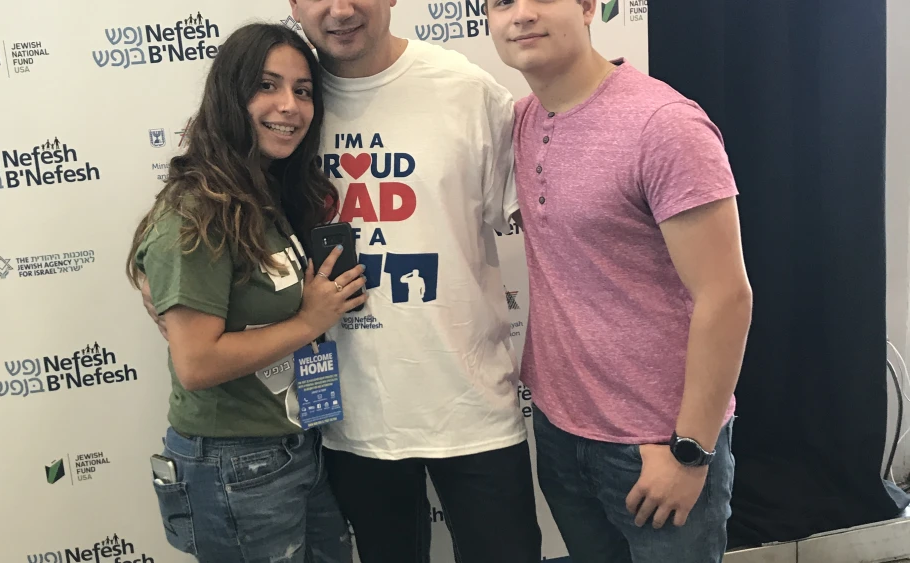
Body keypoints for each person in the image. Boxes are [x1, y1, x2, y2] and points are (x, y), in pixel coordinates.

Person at [142, 2, 542, 561]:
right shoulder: (290, 112)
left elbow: (546, 223)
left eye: (298, 92)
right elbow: (212, 206)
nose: (341, 8)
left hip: (470, 409)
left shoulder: (466, 90)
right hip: (347, 423)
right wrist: (154, 271)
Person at [487, 1, 753, 562]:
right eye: (501, 1)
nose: (521, 15)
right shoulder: (524, 121)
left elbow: (726, 297)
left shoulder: (662, 125)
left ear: (587, 7)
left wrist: (690, 450)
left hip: (657, 446)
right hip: (561, 432)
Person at [127, 23, 367, 563]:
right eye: (267, 86)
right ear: (231, 96)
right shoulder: (196, 212)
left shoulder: (261, 197)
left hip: (294, 449)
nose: (289, 106)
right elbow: (196, 362)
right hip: (235, 462)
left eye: (302, 91)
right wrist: (309, 321)